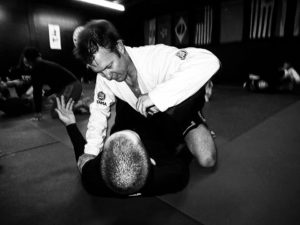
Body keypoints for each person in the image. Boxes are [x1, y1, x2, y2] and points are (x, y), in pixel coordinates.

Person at [74, 19, 220, 169]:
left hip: (178, 110)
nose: (108, 75)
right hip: (151, 119)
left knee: (207, 159)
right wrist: (91, 151)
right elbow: (99, 112)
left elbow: (209, 60)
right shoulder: (104, 79)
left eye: (109, 66)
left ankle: (196, 120)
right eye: (100, 71)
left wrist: (156, 96)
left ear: (120, 47)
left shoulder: (154, 58)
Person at [55, 96, 191, 197]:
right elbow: (184, 150)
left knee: (125, 99)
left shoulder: (93, 181)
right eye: (136, 138)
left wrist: (70, 124)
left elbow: (83, 157)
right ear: (151, 161)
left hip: (124, 120)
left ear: (103, 164)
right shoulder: (175, 175)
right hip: (157, 125)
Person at [22, 47, 82, 120]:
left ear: (29, 58)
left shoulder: (37, 67)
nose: (23, 60)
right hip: (69, 87)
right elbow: (56, 85)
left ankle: (81, 104)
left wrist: (38, 112)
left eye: (24, 57)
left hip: (71, 86)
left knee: (55, 113)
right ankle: (76, 105)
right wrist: (46, 94)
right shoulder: (42, 64)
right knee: (56, 111)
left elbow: (37, 91)